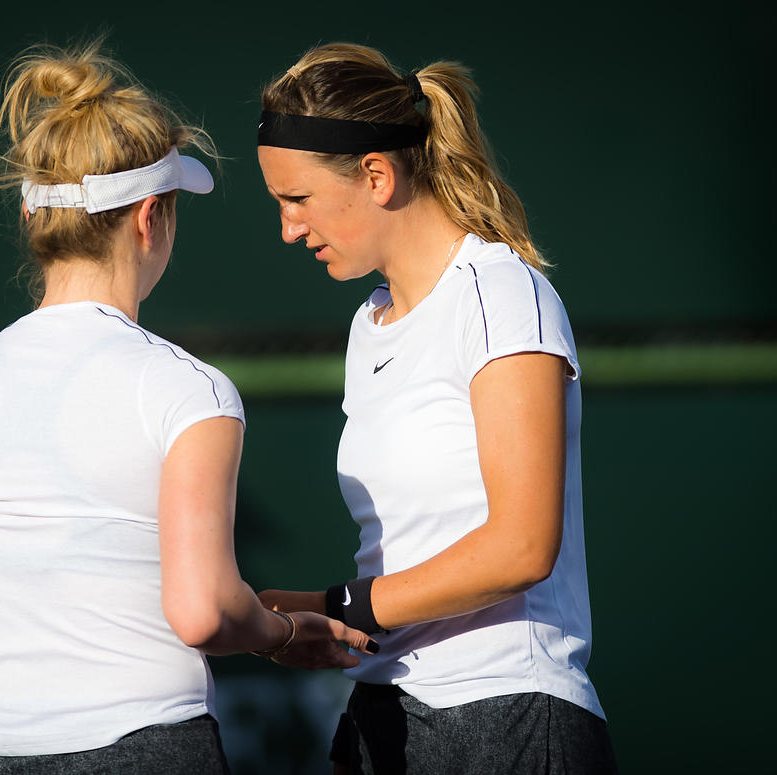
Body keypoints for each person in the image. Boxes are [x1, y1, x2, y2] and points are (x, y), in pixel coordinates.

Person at [0, 43, 378, 774]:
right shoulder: (191, 392)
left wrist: (19, 614)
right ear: (149, 218)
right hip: (147, 748)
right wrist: (284, 633)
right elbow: (203, 611)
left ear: (34, 218)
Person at [254, 43, 619, 774]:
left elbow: (521, 546)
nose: (288, 228)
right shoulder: (369, 323)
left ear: (377, 176)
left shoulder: (501, 293)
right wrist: (300, 614)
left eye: (298, 199)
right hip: (381, 713)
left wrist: (338, 606)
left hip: (510, 715)